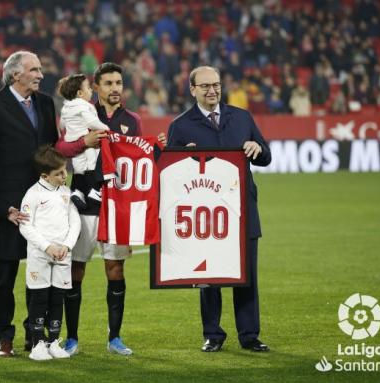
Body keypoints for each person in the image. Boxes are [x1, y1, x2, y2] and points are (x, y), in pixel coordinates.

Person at [166, 66, 272, 353]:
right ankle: (213, 334)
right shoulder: (181, 125)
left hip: (242, 211)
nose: (212, 90)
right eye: (205, 86)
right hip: (206, 217)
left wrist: (256, 148)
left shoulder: (242, 117)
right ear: (192, 90)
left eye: (216, 85)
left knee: (247, 276)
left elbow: (266, 155)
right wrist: (181, 158)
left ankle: (249, 336)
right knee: (209, 277)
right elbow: (168, 173)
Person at [0, 51, 59, 357]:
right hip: (6, 208)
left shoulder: (46, 103)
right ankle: (3, 336)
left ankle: (34, 332)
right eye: (33, 69)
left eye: (39, 69)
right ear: (14, 75)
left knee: (40, 274)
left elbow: (50, 152)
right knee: (4, 276)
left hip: (43, 207)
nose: (40, 74)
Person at [56, 62, 143, 356]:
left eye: (119, 82)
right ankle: (71, 338)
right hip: (84, 205)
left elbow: (138, 158)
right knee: (76, 269)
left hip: (116, 205)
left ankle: (115, 337)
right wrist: (85, 141)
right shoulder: (81, 112)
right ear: (96, 87)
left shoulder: (132, 121)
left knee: (115, 269)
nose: (115, 88)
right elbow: (61, 150)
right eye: (108, 83)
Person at [19, 145, 81, 361]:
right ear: (44, 175)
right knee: (40, 298)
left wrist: (67, 246)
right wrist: (48, 247)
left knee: (57, 298)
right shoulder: (32, 194)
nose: (65, 176)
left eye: (65, 171)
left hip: (63, 255)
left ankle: (54, 341)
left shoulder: (66, 193)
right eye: (59, 174)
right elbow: (25, 226)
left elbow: (75, 222)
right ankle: (37, 343)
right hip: (40, 256)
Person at [57, 73, 110, 209]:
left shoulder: (66, 107)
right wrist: (106, 129)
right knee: (92, 165)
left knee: (79, 169)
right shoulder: (85, 106)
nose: (91, 90)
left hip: (72, 140)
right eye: (88, 88)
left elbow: (62, 125)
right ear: (80, 93)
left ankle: (77, 192)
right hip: (86, 141)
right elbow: (92, 122)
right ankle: (95, 191)